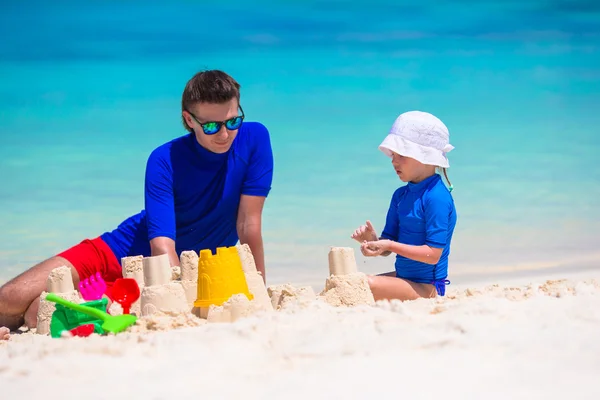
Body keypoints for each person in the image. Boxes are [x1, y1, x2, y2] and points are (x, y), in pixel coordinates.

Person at [0, 70, 274, 336]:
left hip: (158, 277)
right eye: (212, 126)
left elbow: (247, 223)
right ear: (189, 120)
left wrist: (259, 289)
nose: (225, 134)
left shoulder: (255, 139)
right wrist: (177, 292)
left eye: (233, 122)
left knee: (40, 312)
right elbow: (162, 244)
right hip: (120, 248)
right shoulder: (164, 159)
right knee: (8, 297)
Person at [351, 110, 457, 302]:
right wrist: (375, 242)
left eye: (402, 155)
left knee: (365, 285)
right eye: (393, 154)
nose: (393, 161)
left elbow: (432, 255)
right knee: (351, 282)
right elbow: (389, 248)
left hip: (428, 287)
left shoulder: (437, 198)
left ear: (426, 157)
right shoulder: (400, 196)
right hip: (404, 278)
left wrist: (389, 244)